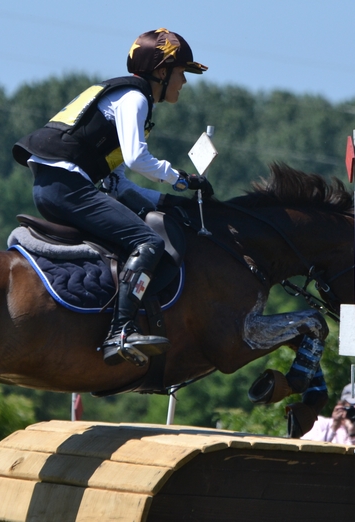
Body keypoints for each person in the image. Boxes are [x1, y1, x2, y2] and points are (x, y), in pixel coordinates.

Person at [12, 28, 213, 367]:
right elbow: (136, 158)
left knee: (133, 234)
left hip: (56, 186)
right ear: (162, 72)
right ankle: (120, 332)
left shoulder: (124, 99)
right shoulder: (134, 99)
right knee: (149, 244)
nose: (185, 82)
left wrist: (166, 201)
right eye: (181, 73)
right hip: (67, 188)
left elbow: (119, 184)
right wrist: (181, 179)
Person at [300, 383, 355, 450]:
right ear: (341, 406)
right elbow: (308, 449)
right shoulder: (321, 424)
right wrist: (333, 428)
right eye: (353, 409)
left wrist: (354, 434)